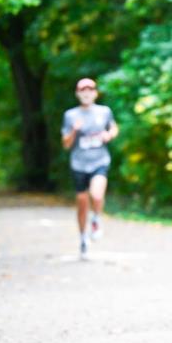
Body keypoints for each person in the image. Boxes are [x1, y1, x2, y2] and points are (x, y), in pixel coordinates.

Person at [61, 77, 118, 259]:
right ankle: (83, 238)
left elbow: (114, 128)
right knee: (82, 204)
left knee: (97, 195)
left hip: (100, 160)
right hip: (79, 163)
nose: (86, 93)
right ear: (78, 94)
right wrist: (74, 131)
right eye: (82, 90)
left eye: (90, 89)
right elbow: (66, 144)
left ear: (95, 93)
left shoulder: (104, 111)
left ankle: (97, 219)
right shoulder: (70, 115)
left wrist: (109, 135)